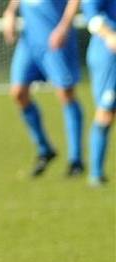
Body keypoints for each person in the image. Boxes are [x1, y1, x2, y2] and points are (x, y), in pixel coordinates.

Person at [3, 0, 85, 177]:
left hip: (55, 36)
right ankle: (45, 149)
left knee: (65, 94)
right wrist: (10, 12)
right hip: (30, 40)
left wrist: (64, 26)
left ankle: (76, 160)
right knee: (18, 93)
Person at [82, 0, 116, 185]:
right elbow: (92, 17)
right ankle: (95, 174)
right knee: (106, 113)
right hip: (108, 57)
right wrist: (110, 35)